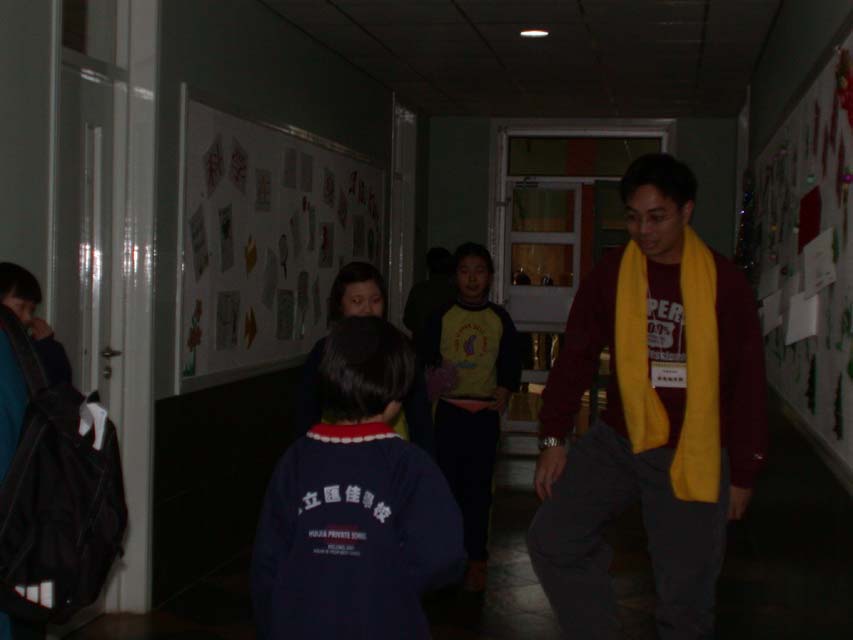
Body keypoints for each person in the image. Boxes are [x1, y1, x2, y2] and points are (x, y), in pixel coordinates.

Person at [527, 153, 768, 639]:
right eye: (634, 218)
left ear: (686, 211)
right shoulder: (614, 272)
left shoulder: (725, 283)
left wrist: (743, 473)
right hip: (621, 437)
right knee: (553, 538)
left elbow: (747, 384)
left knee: (686, 599)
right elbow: (576, 355)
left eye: (657, 217)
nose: (643, 231)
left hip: (692, 450)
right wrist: (553, 437)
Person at [251, 316, 465, 639]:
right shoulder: (410, 466)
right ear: (398, 394)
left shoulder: (294, 460)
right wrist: (391, 586)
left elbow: (266, 563)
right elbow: (444, 556)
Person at [420, 242, 521, 592]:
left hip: (484, 417)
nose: (472, 278)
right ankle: (447, 558)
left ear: (490, 277)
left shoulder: (499, 318)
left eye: (479, 271)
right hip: (449, 414)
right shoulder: (442, 316)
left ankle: (477, 560)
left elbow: (511, 360)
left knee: (478, 492)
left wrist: (506, 387)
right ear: (455, 277)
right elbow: (424, 359)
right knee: (446, 489)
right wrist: (434, 379)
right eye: (465, 271)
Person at [293, 262, 435, 454]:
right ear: (340, 306)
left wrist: (423, 459)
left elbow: (420, 417)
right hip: (334, 452)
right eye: (357, 301)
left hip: (391, 454)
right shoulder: (324, 351)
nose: (368, 310)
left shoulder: (400, 349)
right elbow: (306, 411)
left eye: (375, 300)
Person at [0, 263, 72, 386]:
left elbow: (57, 387)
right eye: (21, 307)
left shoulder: (24, 344)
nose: (28, 317)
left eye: (32, 310)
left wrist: (47, 347)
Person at [403, 247, 456, 344]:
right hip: (447, 345)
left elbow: (408, 320)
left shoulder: (418, 289)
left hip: (421, 344)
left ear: (428, 266)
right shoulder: (455, 291)